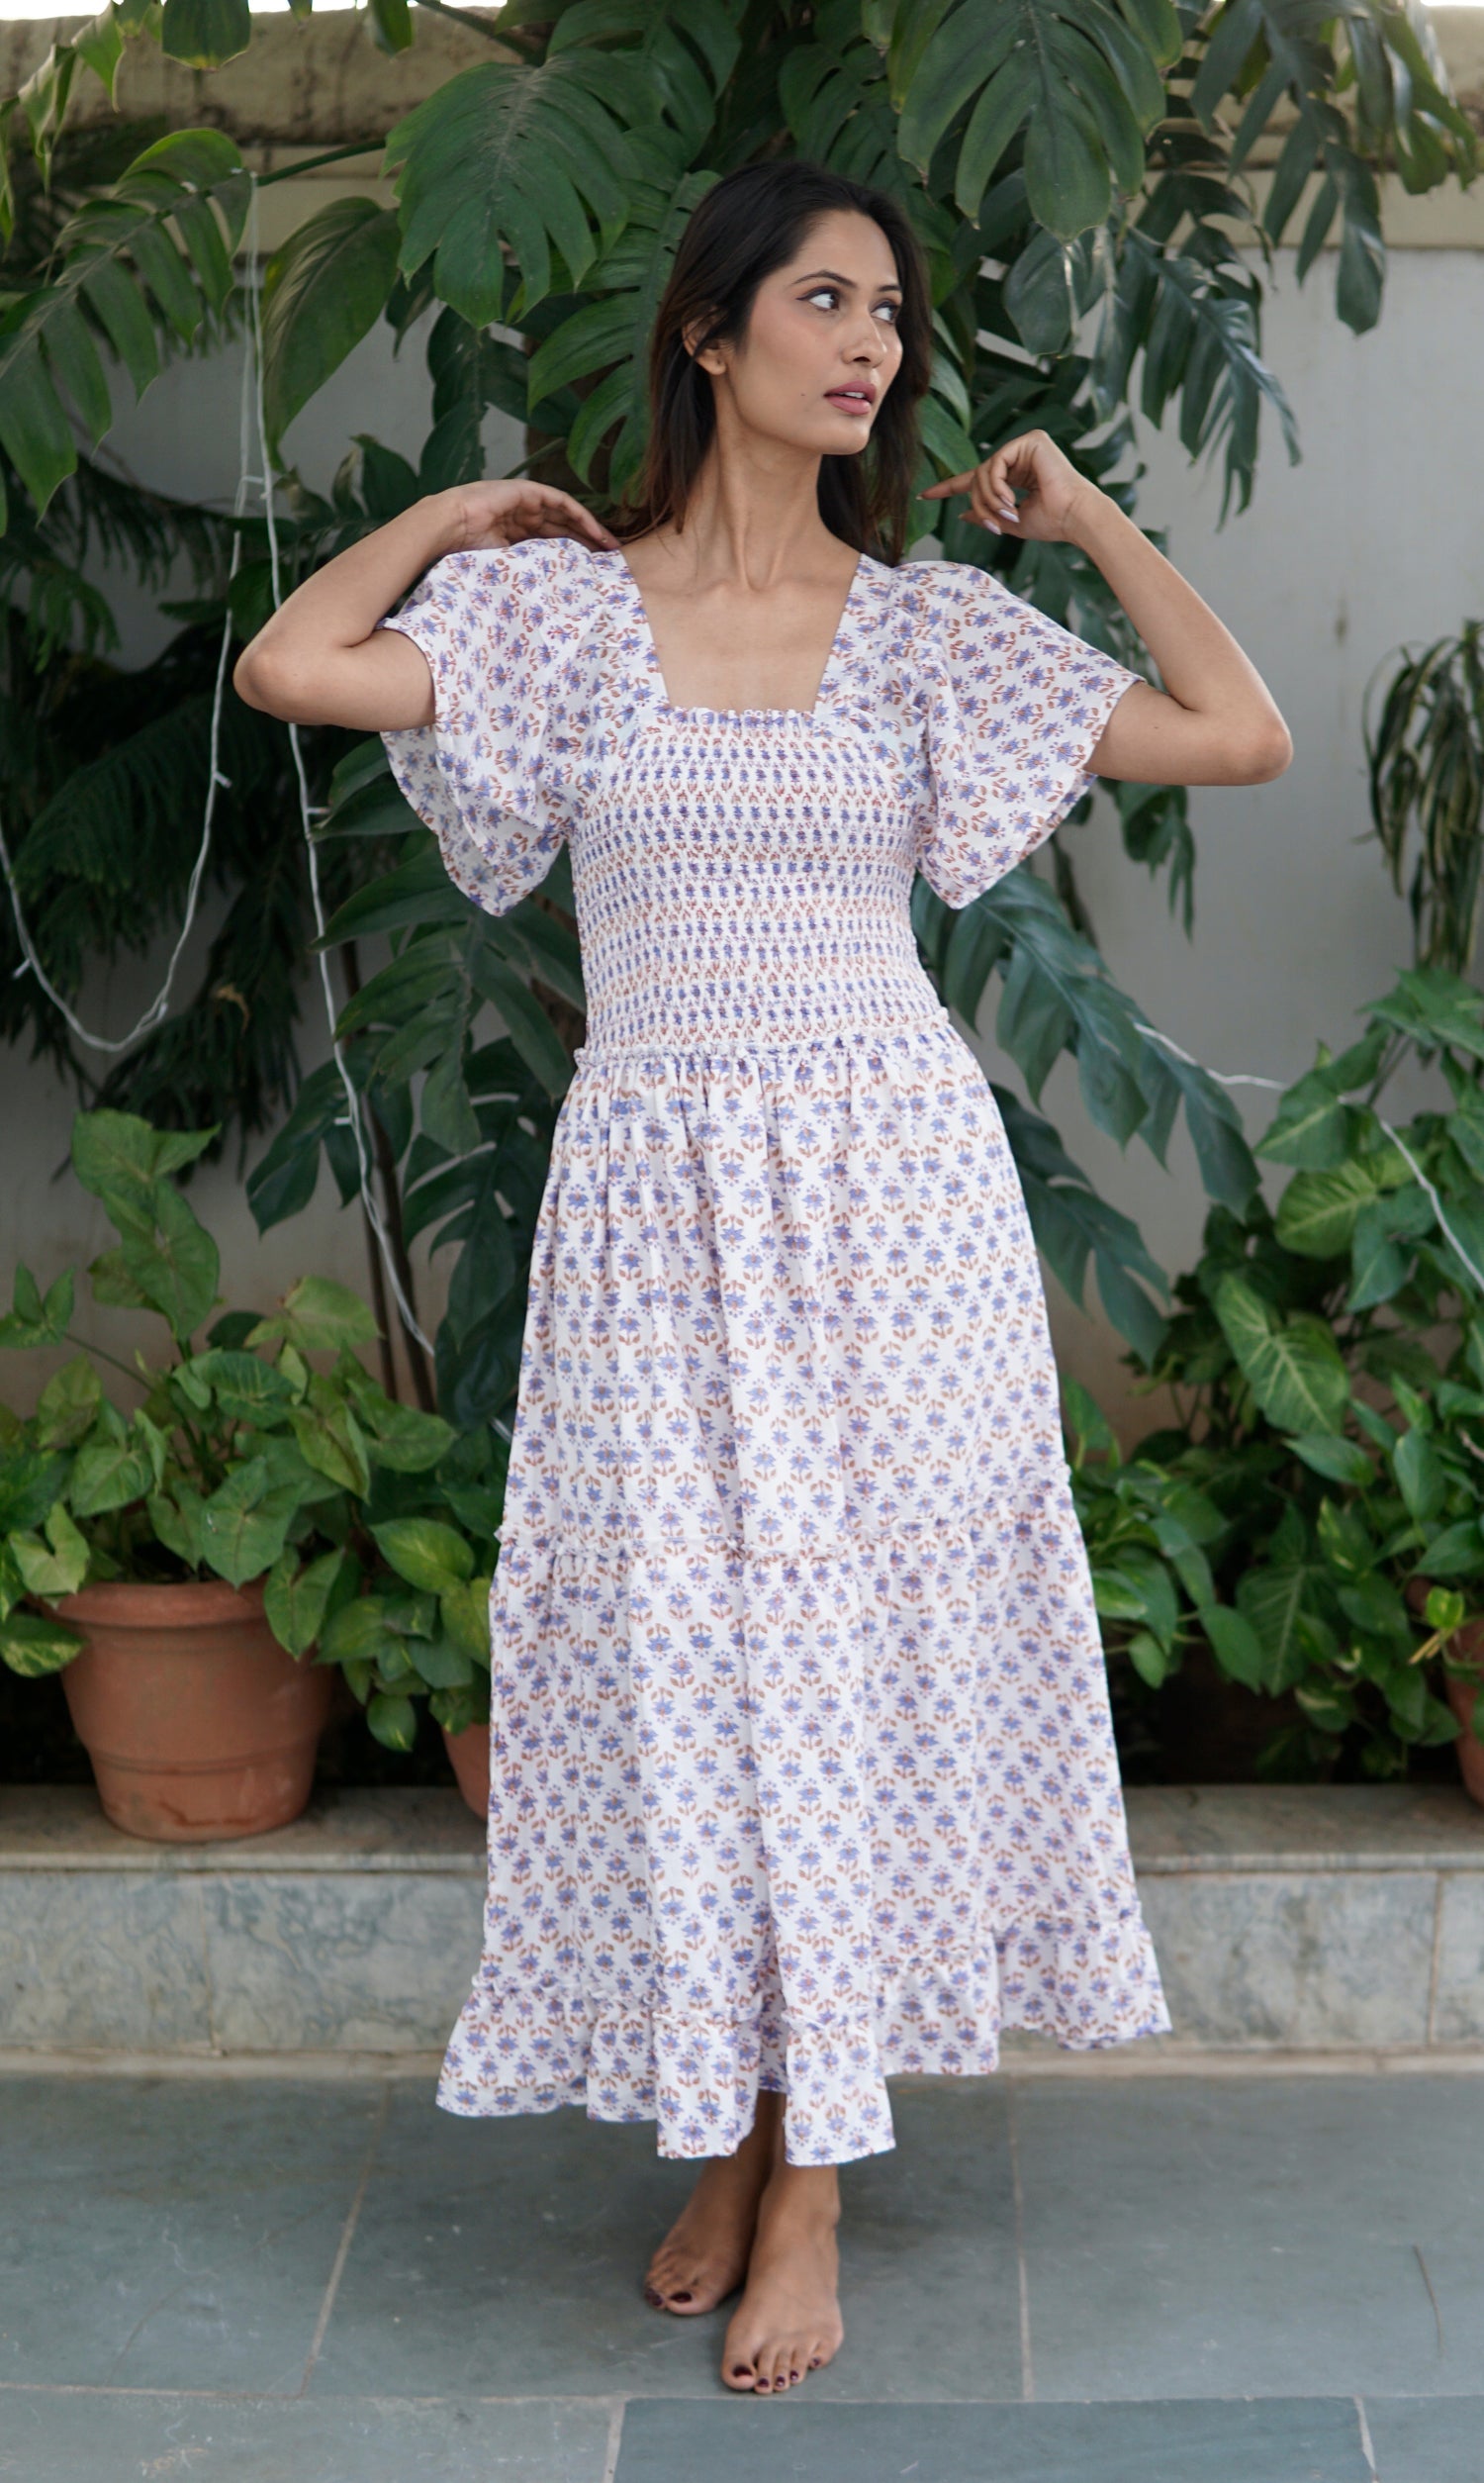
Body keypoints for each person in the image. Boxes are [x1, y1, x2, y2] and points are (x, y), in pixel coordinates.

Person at [234, 156, 1292, 2400]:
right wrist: (459, 515)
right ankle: (718, 2116)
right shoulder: (557, 621)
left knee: (858, 1674)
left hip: (894, 1212)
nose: (871, 346)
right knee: (683, 1665)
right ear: (710, 335)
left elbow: (1235, 729)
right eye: (827, 301)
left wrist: (1084, 517)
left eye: (891, 316)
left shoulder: (921, 628)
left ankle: (811, 2170)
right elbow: (291, 662)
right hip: (652, 1210)